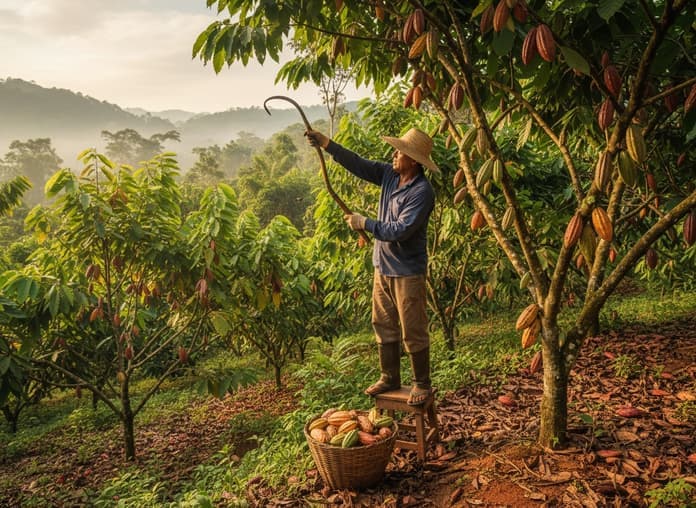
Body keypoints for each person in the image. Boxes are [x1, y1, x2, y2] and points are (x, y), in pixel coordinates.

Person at [306, 127, 439, 406]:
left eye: (399, 151)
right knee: (382, 323)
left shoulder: (422, 191)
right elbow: (360, 165)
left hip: (407, 271)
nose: (394, 154)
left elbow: (400, 230)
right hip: (383, 266)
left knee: (412, 328)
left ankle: (421, 384)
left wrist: (365, 223)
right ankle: (389, 377)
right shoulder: (391, 175)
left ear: (413, 160)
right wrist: (327, 144)